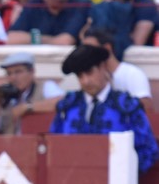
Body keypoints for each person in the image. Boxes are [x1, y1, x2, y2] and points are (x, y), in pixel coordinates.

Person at [50, 43, 158, 172]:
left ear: (102, 67)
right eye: (80, 76)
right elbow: (54, 146)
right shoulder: (67, 107)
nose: (85, 81)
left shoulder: (126, 106)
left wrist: (124, 174)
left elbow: (149, 149)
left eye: (89, 73)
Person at [0, 51, 64, 134]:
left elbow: (63, 102)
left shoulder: (45, 86)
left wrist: (27, 108)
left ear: (32, 72)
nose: (13, 77)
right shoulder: (7, 98)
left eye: (18, 72)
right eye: (9, 73)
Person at [85, 0, 157, 57]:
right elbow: (85, 38)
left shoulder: (145, 5)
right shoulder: (101, 7)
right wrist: (109, 5)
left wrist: (111, 7)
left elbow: (136, 43)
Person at [82, 26, 153, 109]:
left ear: (107, 48)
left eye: (90, 49)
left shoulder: (132, 74)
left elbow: (146, 108)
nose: (86, 54)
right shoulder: (88, 76)